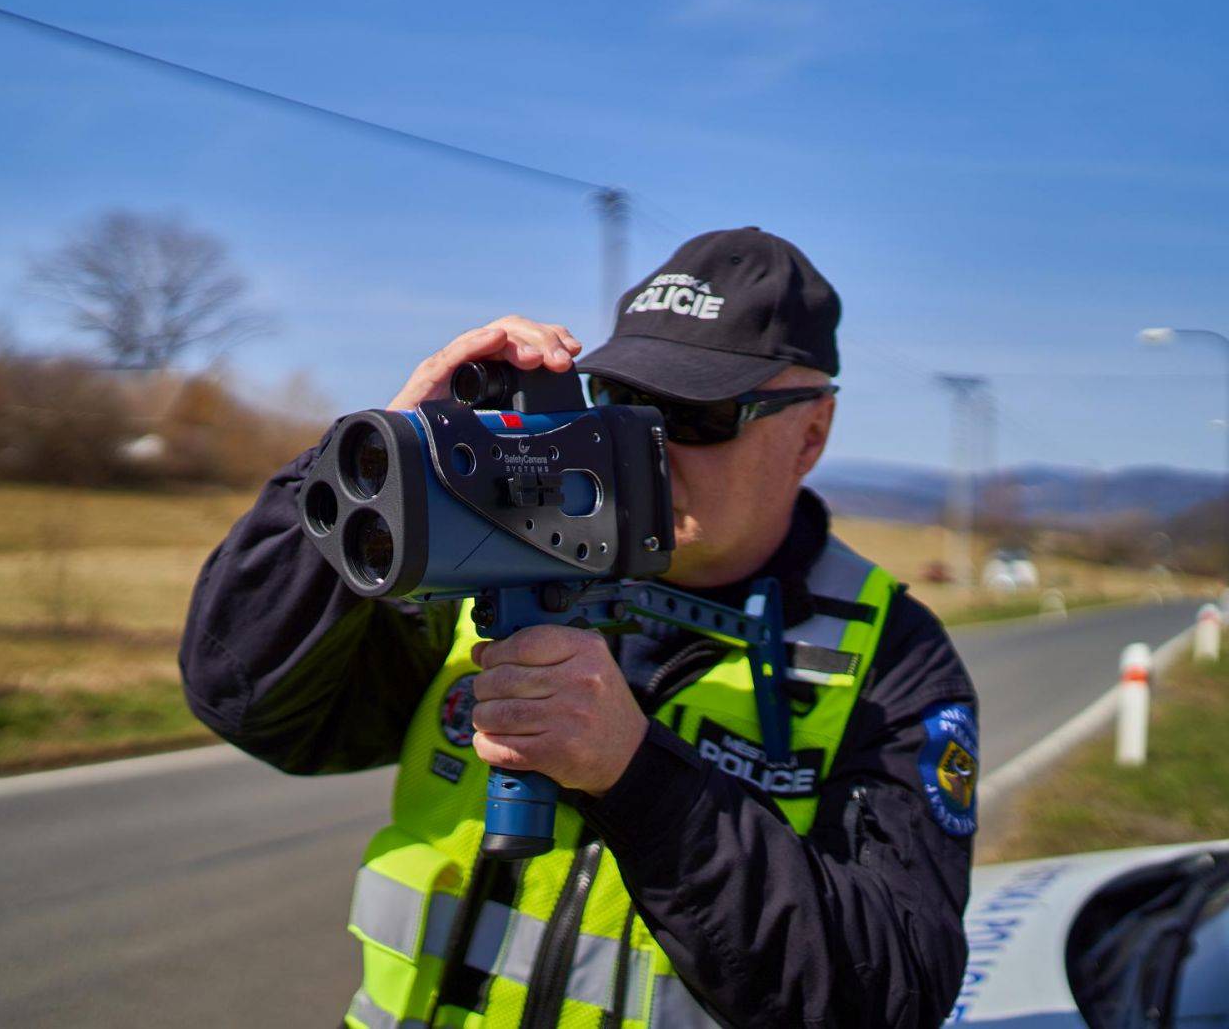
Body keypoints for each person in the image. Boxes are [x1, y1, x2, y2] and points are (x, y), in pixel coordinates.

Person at [180, 227, 977, 1028]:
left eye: (698, 416)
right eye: (627, 405)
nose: (649, 444)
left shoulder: (890, 661)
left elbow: (887, 995)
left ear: (813, 432)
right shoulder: (493, 560)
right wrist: (376, 471)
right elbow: (247, 699)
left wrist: (639, 777)